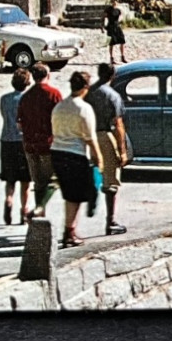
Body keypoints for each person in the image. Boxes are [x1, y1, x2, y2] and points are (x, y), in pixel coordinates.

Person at [50, 69, 102, 248]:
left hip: (57, 151)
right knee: (75, 196)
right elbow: (89, 137)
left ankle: (69, 229)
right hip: (75, 153)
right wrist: (98, 158)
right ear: (85, 87)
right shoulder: (83, 108)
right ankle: (69, 232)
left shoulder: (60, 106)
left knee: (69, 194)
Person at [85, 62, 129, 235]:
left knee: (94, 169)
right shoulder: (112, 96)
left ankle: (91, 196)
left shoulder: (87, 93)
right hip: (104, 134)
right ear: (113, 76)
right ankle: (110, 221)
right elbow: (118, 124)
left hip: (88, 134)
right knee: (111, 180)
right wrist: (122, 150)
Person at [16, 63, 62, 218]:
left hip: (30, 145)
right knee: (53, 180)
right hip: (48, 144)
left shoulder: (25, 97)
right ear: (47, 75)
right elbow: (59, 119)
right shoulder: (54, 94)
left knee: (38, 182)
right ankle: (39, 208)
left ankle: (40, 217)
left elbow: (19, 124)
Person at [0, 68, 33, 224]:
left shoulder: (4, 99)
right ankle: (24, 210)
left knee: (10, 178)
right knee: (26, 180)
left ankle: (8, 200)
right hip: (23, 141)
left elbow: (4, 116)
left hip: (7, 140)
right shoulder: (28, 99)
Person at [104, 0, 127, 64]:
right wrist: (103, 26)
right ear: (111, 2)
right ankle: (111, 58)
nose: (114, 3)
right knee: (111, 43)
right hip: (111, 27)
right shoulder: (108, 10)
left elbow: (121, 17)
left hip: (117, 27)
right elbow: (104, 17)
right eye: (113, 2)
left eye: (115, 2)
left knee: (122, 41)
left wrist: (120, 20)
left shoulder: (118, 10)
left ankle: (122, 56)